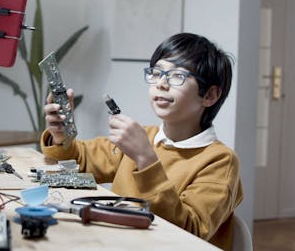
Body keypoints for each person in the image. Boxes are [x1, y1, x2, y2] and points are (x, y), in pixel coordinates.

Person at [40, 32, 243, 250]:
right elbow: (78, 161)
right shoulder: (143, 137)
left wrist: (145, 159)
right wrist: (61, 135)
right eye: (156, 73)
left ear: (210, 95)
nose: (161, 84)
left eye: (177, 76)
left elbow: (188, 231)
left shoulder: (220, 161)